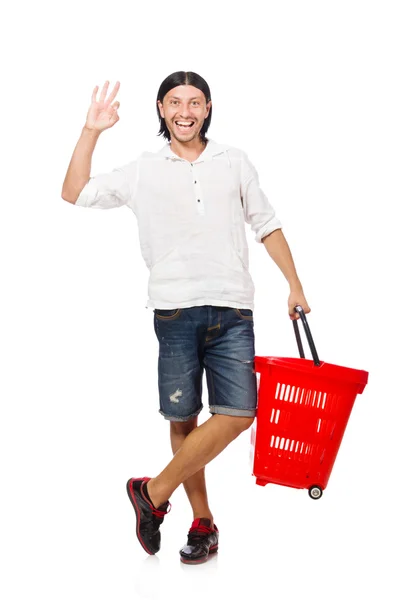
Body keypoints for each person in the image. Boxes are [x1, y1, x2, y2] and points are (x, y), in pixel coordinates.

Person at [61, 71, 311, 565]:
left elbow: (267, 223)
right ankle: (202, 524)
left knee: (238, 414)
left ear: (208, 107)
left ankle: (151, 493)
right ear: (160, 108)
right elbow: (74, 192)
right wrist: (91, 131)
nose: (185, 111)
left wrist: (294, 284)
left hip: (233, 307)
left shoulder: (233, 161)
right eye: (175, 102)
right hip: (174, 310)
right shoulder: (142, 170)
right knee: (183, 418)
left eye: (195, 102)